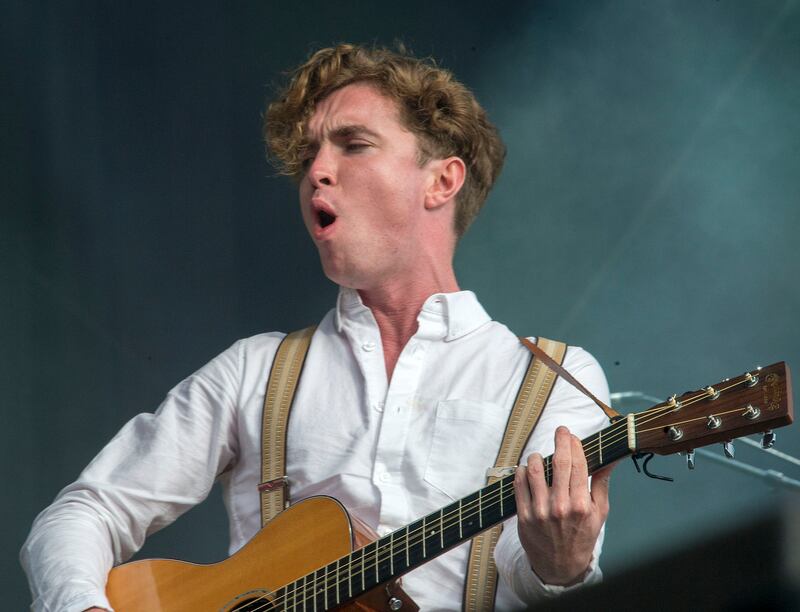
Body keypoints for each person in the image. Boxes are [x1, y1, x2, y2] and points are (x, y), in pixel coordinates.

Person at [21, 43, 613, 611]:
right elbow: (82, 512)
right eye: (308, 157)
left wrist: (560, 563)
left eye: (353, 145)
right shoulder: (255, 370)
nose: (317, 173)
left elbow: (533, 578)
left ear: (442, 181)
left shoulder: (553, 379)